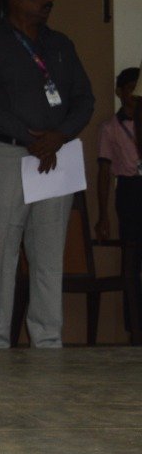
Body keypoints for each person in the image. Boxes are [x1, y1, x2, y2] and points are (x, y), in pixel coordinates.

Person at [0, 0, 94, 349]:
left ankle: (48, 341)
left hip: (56, 158)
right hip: (5, 155)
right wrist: (28, 136)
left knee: (49, 255)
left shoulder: (61, 45)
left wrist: (60, 135)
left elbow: (85, 99)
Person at [95, 67, 141, 342]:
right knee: (131, 263)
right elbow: (104, 172)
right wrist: (103, 215)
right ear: (119, 92)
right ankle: (135, 329)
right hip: (130, 192)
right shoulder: (110, 127)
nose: (134, 95)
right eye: (129, 89)